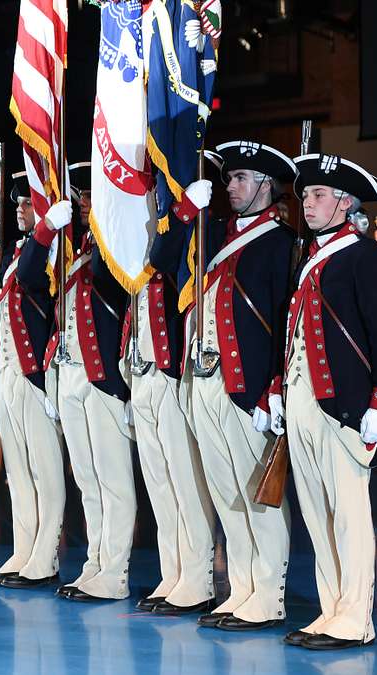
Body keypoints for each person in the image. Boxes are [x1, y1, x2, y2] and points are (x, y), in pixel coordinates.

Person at [272, 154, 377, 650]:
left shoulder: (364, 256)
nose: (307, 203)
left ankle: (356, 619)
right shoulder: (310, 257)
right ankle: (332, 611)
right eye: (305, 196)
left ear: (345, 203)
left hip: (345, 405)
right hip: (303, 401)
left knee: (349, 516)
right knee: (317, 513)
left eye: (319, 195)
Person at [184, 142, 296, 630]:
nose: (231, 187)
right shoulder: (214, 236)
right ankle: (244, 588)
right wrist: (191, 207)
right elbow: (165, 257)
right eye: (230, 179)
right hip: (207, 381)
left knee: (257, 494)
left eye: (242, 179)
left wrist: (275, 388)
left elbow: (282, 321)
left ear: (267, 187)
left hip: (249, 387)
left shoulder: (282, 243)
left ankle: (269, 595)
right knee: (226, 490)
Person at [41, 163, 137, 603]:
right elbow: (28, 279)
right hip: (73, 373)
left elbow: (105, 278)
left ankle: (115, 571)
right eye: (82, 195)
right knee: (88, 478)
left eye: (93, 193)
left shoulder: (115, 246)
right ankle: (95, 562)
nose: (83, 202)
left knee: (114, 480)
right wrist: (48, 231)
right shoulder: (76, 247)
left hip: (104, 377)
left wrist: (106, 220)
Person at [123, 172, 216, 618]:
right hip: (143, 375)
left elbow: (166, 258)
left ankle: (197, 578)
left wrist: (182, 213)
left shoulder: (193, 234)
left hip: (172, 373)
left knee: (186, 482)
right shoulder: (143, 243)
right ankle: (173, 572)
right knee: (159, 484)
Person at [0, 170, 66, 589]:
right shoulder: (15, 252)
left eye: (27, 203)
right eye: (17, 204)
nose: (19, 209)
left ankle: (45, 555)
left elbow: (31, 278)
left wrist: (46, 230)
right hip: (7, 373)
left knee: (45, 469)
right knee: (19, 470)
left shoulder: (47, 252)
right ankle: (23, 547)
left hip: (34, 374)